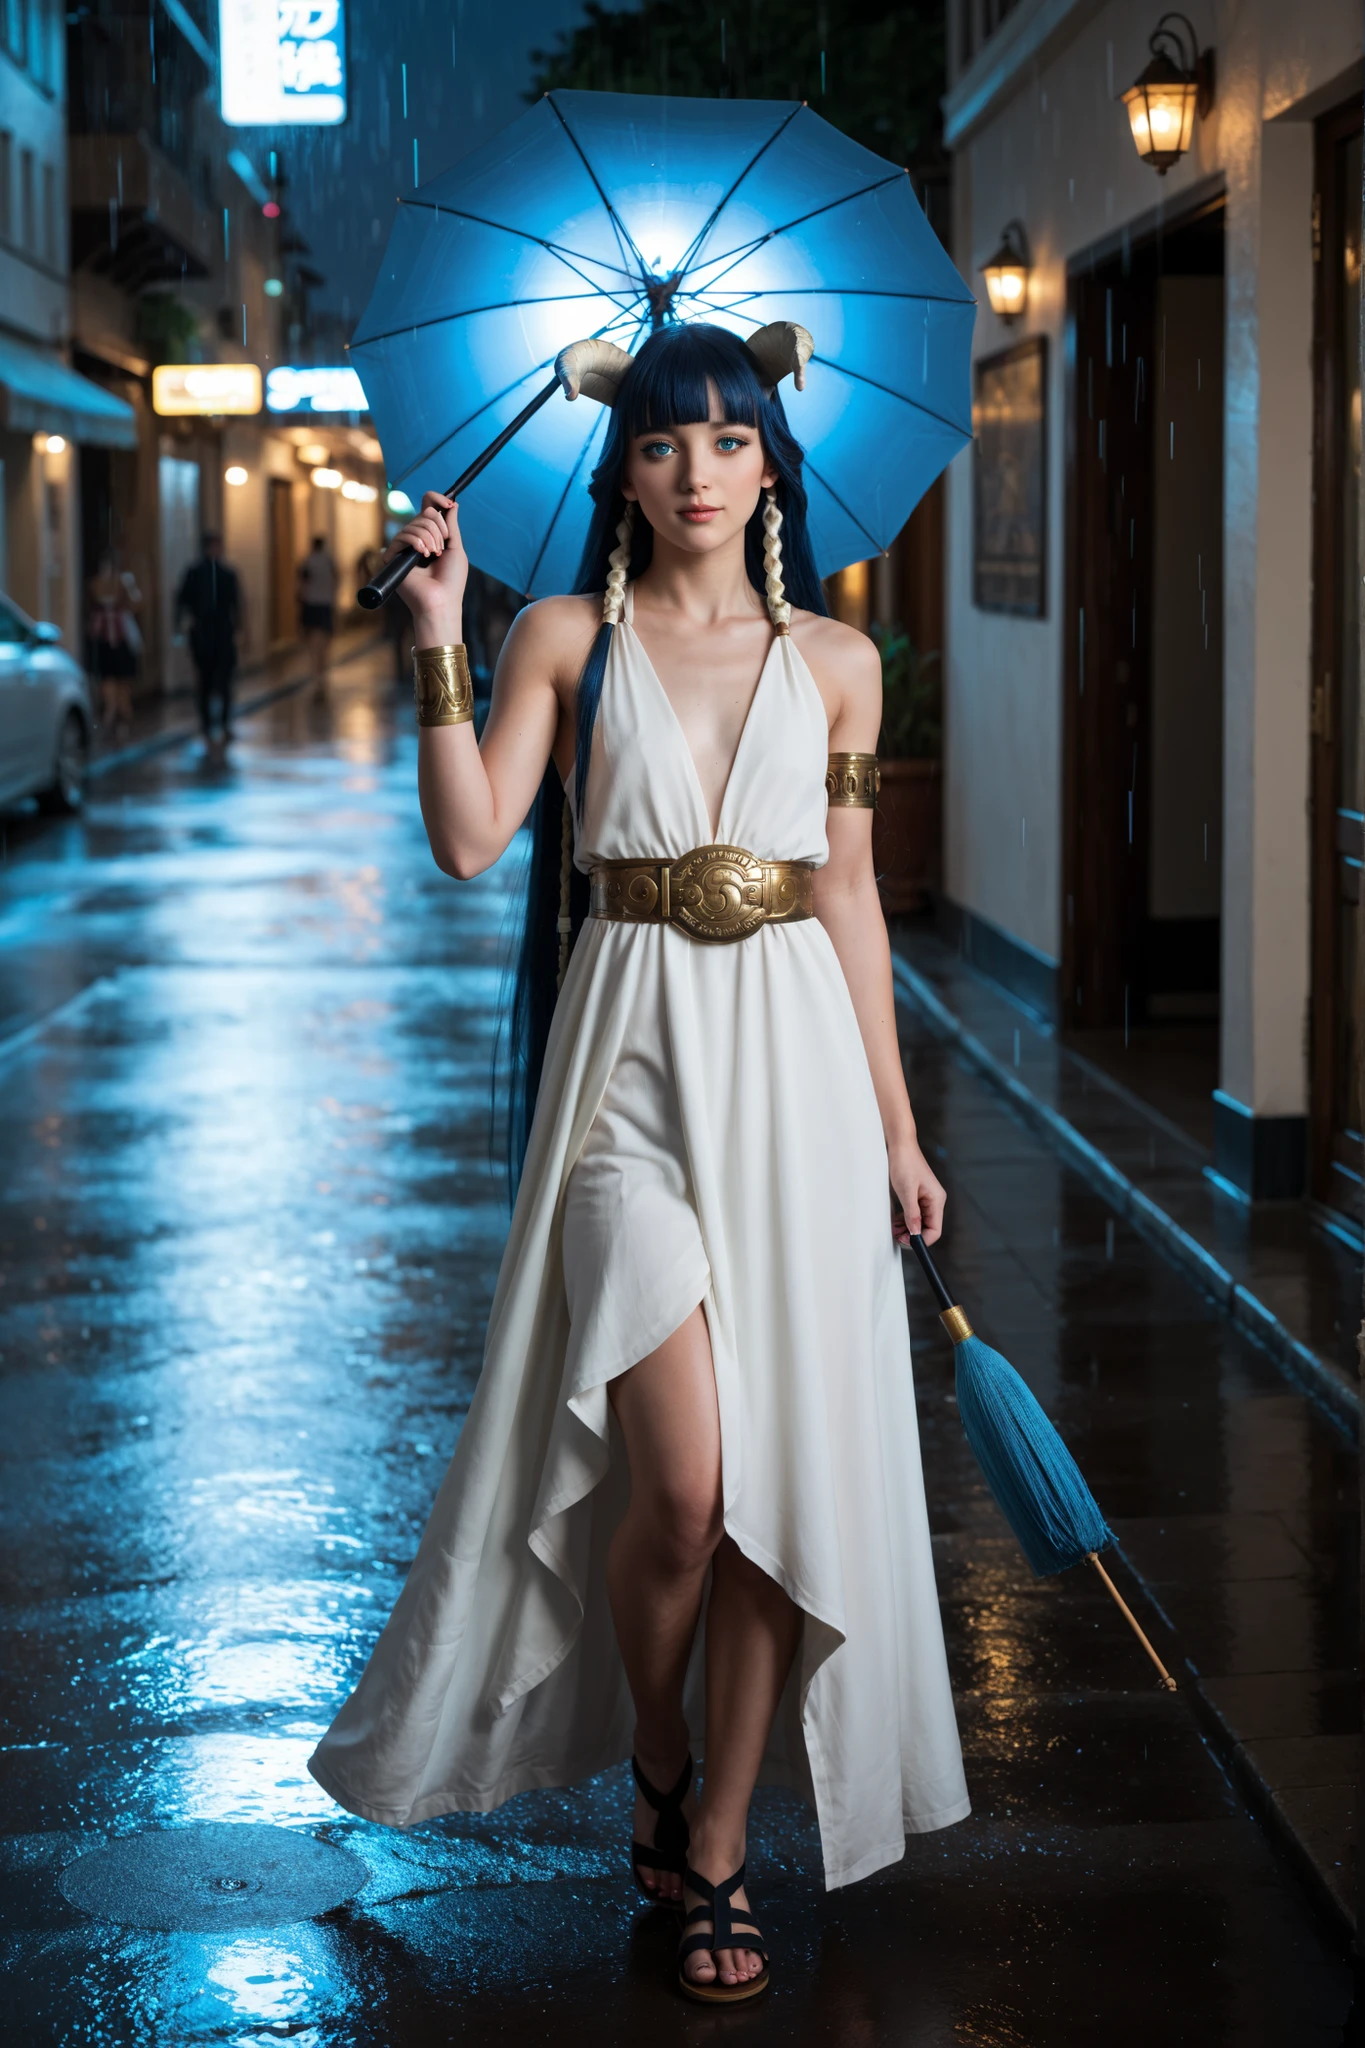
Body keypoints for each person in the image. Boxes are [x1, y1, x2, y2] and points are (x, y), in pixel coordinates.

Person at [307, 324, 969, 2004]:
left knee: (774, 1493)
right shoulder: (561, 637)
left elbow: (849, 897)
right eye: (664, 442)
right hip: (627, 1080)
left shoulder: (838, 661)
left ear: (772, 468)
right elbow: (470, 841)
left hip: (801, 1084)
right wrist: (437, 640)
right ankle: (657, 1755)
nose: (697, 471)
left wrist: (897, 1129)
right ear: (626, 469)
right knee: (679, 1491)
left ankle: (719, 1837)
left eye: (730, 440)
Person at [176, 533, 242, 746]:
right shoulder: (194, 574)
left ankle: (223, 722)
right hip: (203, 633)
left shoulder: (227, 574)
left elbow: (237, 604)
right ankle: (206, 724)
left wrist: (241, 629)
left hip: (223, 633)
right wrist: (181, 628)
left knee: (224, 680)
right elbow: (182, 601)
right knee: (204, 680)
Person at [86, 550, 142, 741]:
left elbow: (135, 603)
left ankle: (122, 719)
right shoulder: (95, 584)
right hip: (105, 638)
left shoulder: (124, 582)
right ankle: (111, 715)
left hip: (120, 636)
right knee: (108, 680)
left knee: (123, 684)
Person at [297, 533, 337, 698]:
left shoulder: (308, 562)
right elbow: (335, 582)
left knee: (313, 647)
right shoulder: (329, 562)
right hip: (326, 605)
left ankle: (316, 680)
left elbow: (302, 586)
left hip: (312, 606)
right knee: (324, 646)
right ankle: (323, 677)